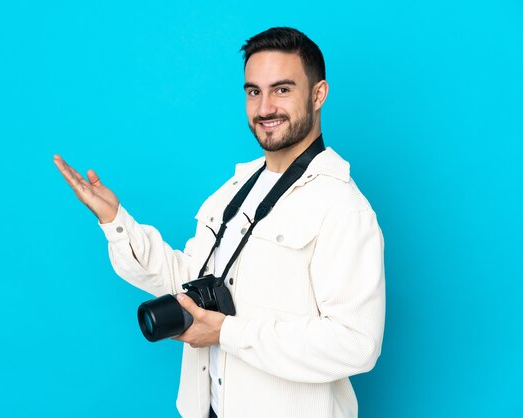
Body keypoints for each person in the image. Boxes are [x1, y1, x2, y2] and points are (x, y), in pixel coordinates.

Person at [54, 27, 385, 418]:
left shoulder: (341, 205)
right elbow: (186, 279)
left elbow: (355, 344)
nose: (265, 108)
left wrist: (227, 333)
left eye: (282, 90)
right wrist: (114, 219)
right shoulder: (232, 190)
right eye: (253, 91)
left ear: (318, 95)